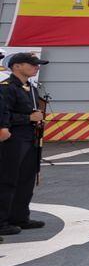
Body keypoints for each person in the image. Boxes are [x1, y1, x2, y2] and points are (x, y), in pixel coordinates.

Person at [0, 52, 47, 235]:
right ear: (17, 66)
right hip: (13, 139)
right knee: (7, 180)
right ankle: (2, 221)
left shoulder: (31, 88)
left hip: (30, 138)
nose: (36, 67)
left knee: (26, 179)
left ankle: (19, 216)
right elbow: (4, 115)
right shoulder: (7, 88)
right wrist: (27, 117)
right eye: (32, 64)